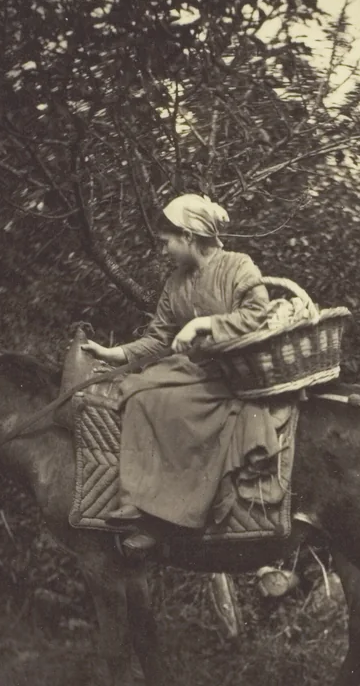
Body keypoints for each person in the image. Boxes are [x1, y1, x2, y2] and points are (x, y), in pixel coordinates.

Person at [81, 194, 280, 554]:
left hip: (231, 375)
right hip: (194, 371)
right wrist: (114, 353)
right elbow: (158, 338)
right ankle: (140, 505)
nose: (165, 249)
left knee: (161, 401)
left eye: (169, 241)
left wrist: (205, 324)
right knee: (136, 389)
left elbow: (259, 316)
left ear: (188, 236)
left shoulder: (238, 266)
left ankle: (174, 516)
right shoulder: (175, 282)